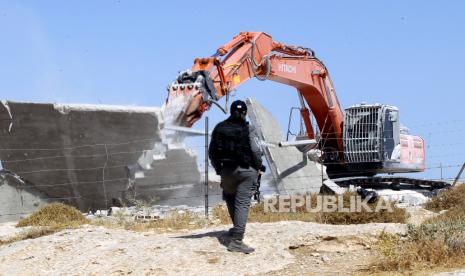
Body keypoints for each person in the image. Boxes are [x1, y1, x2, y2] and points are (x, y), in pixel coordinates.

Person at [209, 99, 264, 254]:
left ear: (231, 112)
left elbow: (212, 153)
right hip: (246, 172)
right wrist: (259, 167)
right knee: (242, 204)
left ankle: (235, 229)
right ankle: (237, 241)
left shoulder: (219, 128)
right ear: (245, 113)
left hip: (226, 172)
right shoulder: (248, 128)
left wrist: (219, 170)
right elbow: (256, 151)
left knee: (230, 196)